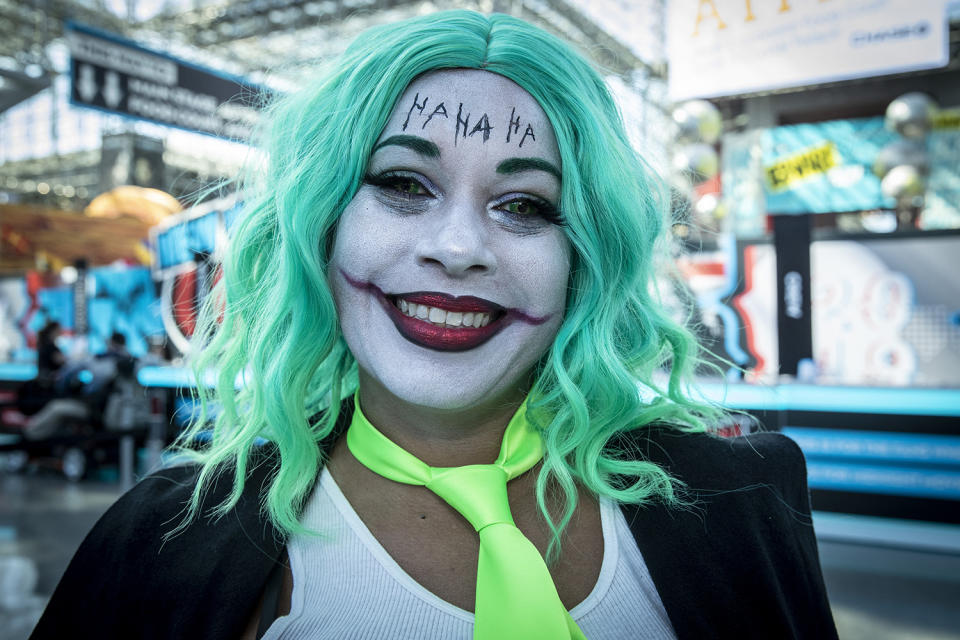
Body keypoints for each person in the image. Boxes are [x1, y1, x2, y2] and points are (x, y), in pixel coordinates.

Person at [32, 11, 837, 640]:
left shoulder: (747, 500)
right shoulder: (160, 543)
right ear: (323, 226)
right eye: (402, 183)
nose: (457, 249)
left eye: (524, 204)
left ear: (582, 258)